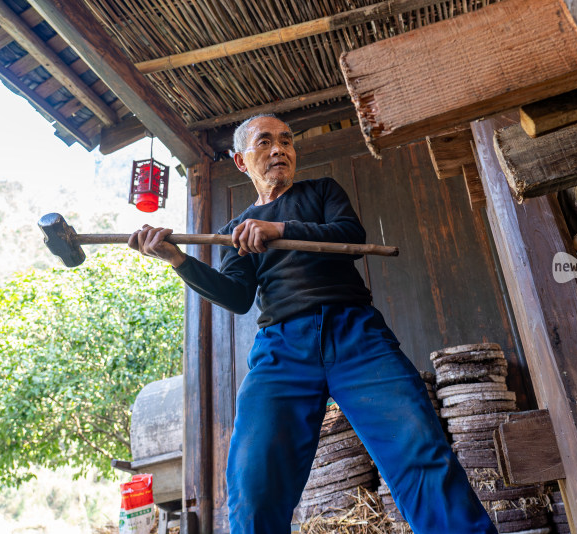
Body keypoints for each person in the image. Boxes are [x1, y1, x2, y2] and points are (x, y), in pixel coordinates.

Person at [129, 114, 497, 534]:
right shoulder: (235, 230)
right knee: (253, 479)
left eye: (286, 141)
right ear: (241, 161)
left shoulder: (322, 191)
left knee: (419, 450)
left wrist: (279, 228)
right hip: (281, 349)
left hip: (355, 334)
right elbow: (235, 296)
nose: (278, 150)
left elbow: (350, 237)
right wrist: (179, 260)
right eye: (264, 142)